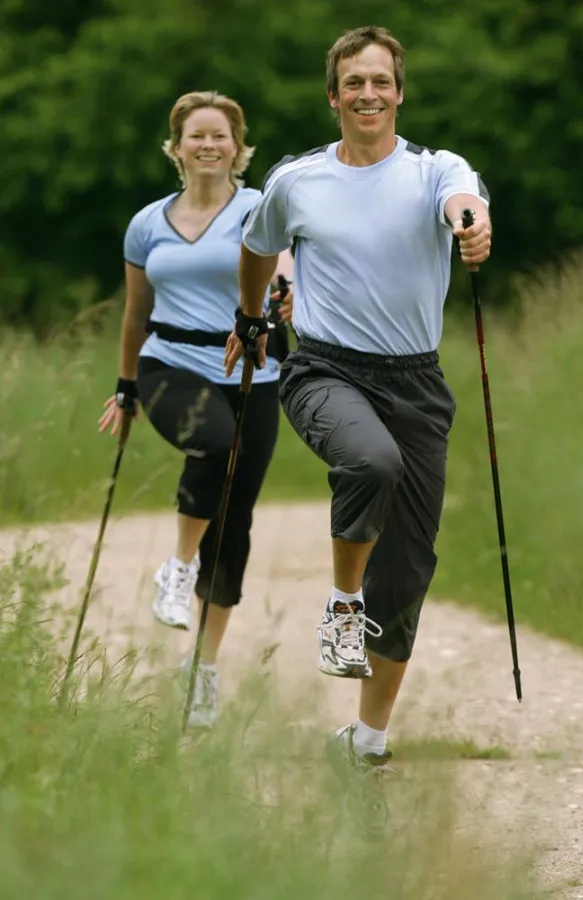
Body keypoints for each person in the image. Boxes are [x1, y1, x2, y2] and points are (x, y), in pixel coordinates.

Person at [224, 25, 491, 822]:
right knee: (368, 462)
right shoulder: (296, 181)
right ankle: (342, 606)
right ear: (333, 96)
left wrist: (469, 224)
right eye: (353, 83)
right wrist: (250, 315)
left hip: (417, 383)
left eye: (381, 81)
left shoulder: (431, 170)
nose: (367, 94)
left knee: (407, 570)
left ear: (398, 93)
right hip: (326, 369)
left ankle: (366, 742)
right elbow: (256, 245)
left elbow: (463, 199)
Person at [99, 90, 293, 728]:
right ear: (176, 146)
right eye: (196, 135)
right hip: (168, 366)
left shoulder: (258, 208)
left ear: (238, 148)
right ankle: (178, 568)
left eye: (220, 136)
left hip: (253, 371)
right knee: (213, 443)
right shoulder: (146, 222)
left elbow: (285, 269)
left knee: (234, 524)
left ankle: (203, 672)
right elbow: (134, 313)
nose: (208, 145)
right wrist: (127, 388)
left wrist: (288, 295)